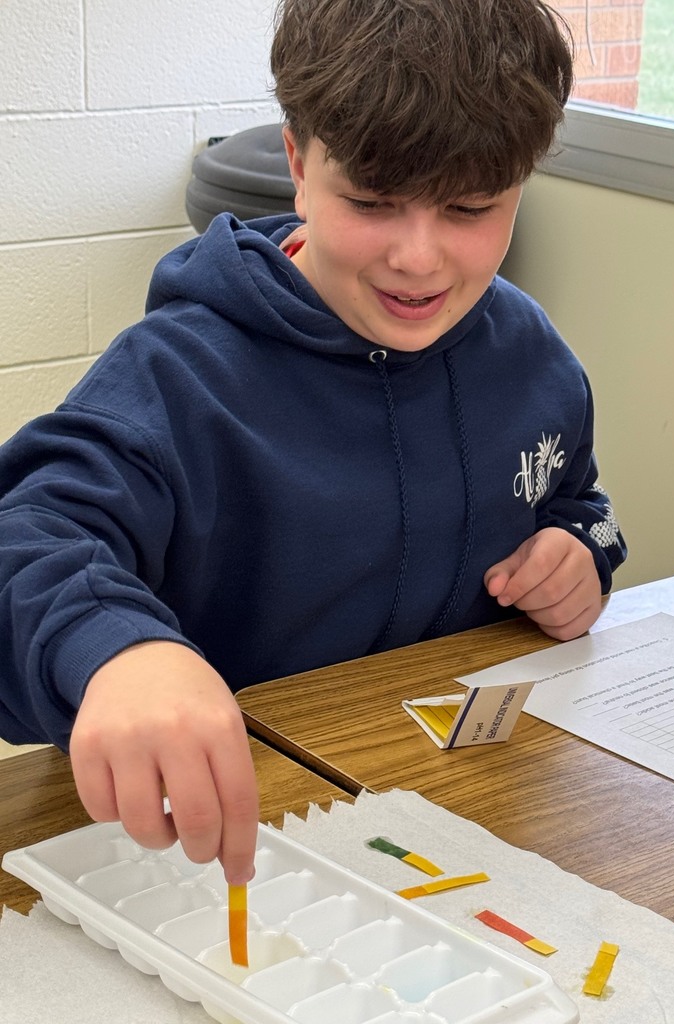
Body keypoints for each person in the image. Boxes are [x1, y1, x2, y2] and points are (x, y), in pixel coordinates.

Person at [0, 0, 626, 884]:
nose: (420, 258)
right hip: (216, 847)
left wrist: (580, 553)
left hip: (457, 824)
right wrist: (118, 652)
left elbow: (582, 504)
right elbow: (28, 537)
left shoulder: (532, 354)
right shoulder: (180, 376)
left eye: (470, 208)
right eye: (371, 201)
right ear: (298, 165)